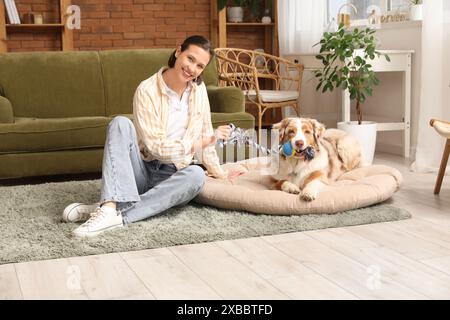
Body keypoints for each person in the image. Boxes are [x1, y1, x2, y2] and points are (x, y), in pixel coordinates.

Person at [62, 35, 243, 237]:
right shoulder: (146, 90)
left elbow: (206, 131)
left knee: (197, 175)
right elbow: (158, 148)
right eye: (190, 59)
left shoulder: (198, 90)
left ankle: (111, 211)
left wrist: (220, 173)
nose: (192, 69)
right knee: (120, 123)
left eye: (200, 66)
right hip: (141, 169)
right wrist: (201, 143)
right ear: (178, 52)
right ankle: (110, 207)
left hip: (172, 175)